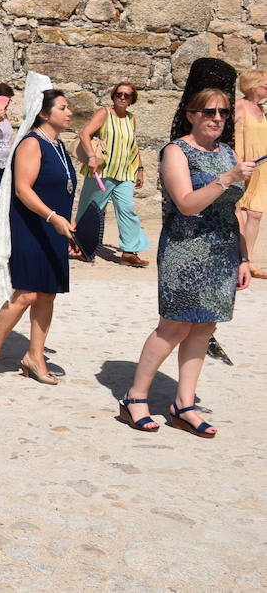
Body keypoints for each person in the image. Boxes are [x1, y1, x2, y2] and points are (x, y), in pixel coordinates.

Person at [119, 78, 253, 437]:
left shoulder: (227, 152)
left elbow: (235, 210)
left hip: (223, 250)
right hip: (185, 249)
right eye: (209, 111)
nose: (217, 118)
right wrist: (227, 178)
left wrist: (244, 257)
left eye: (224, 112)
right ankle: (135, 397)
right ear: (192, 114)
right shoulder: (177, 151)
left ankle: (184, 404)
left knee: (205, 326)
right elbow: (186, 203)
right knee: (174, 326)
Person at [0, 89, 76, 385]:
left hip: (54, 225)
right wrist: (52, 217)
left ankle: (35, 355)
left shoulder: (58, 145)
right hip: (32, 225)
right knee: (26, 294)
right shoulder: (32, 143)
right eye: (63, 107)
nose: (69, 112)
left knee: (47, 293)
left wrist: (66, 219)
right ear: (44, 114)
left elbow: (62, 186)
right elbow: (23, 189)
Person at [77, 82, 151, 267]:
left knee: (128, 211)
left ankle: (128, 252)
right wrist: (91, 157)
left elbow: (132, 146)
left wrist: (139, 169)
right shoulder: (104, 113)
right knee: (90, 211)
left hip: (124, 173)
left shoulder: (131, 118)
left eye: (127, 95)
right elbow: (84, 133)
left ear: (132, 99)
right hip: (101, 172)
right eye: (119, 94)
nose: (122, 97)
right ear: (113, 95)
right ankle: (81, 247)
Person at [233, 69, 267, 278]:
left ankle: (249, 259)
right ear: (253, 85)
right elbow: (235, 139)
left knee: (255, 213)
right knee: (235, 210)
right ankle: (237, 257)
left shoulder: (262, 110)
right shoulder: (239, 107)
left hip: (262, 167)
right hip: (244, 165)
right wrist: (239, 165)